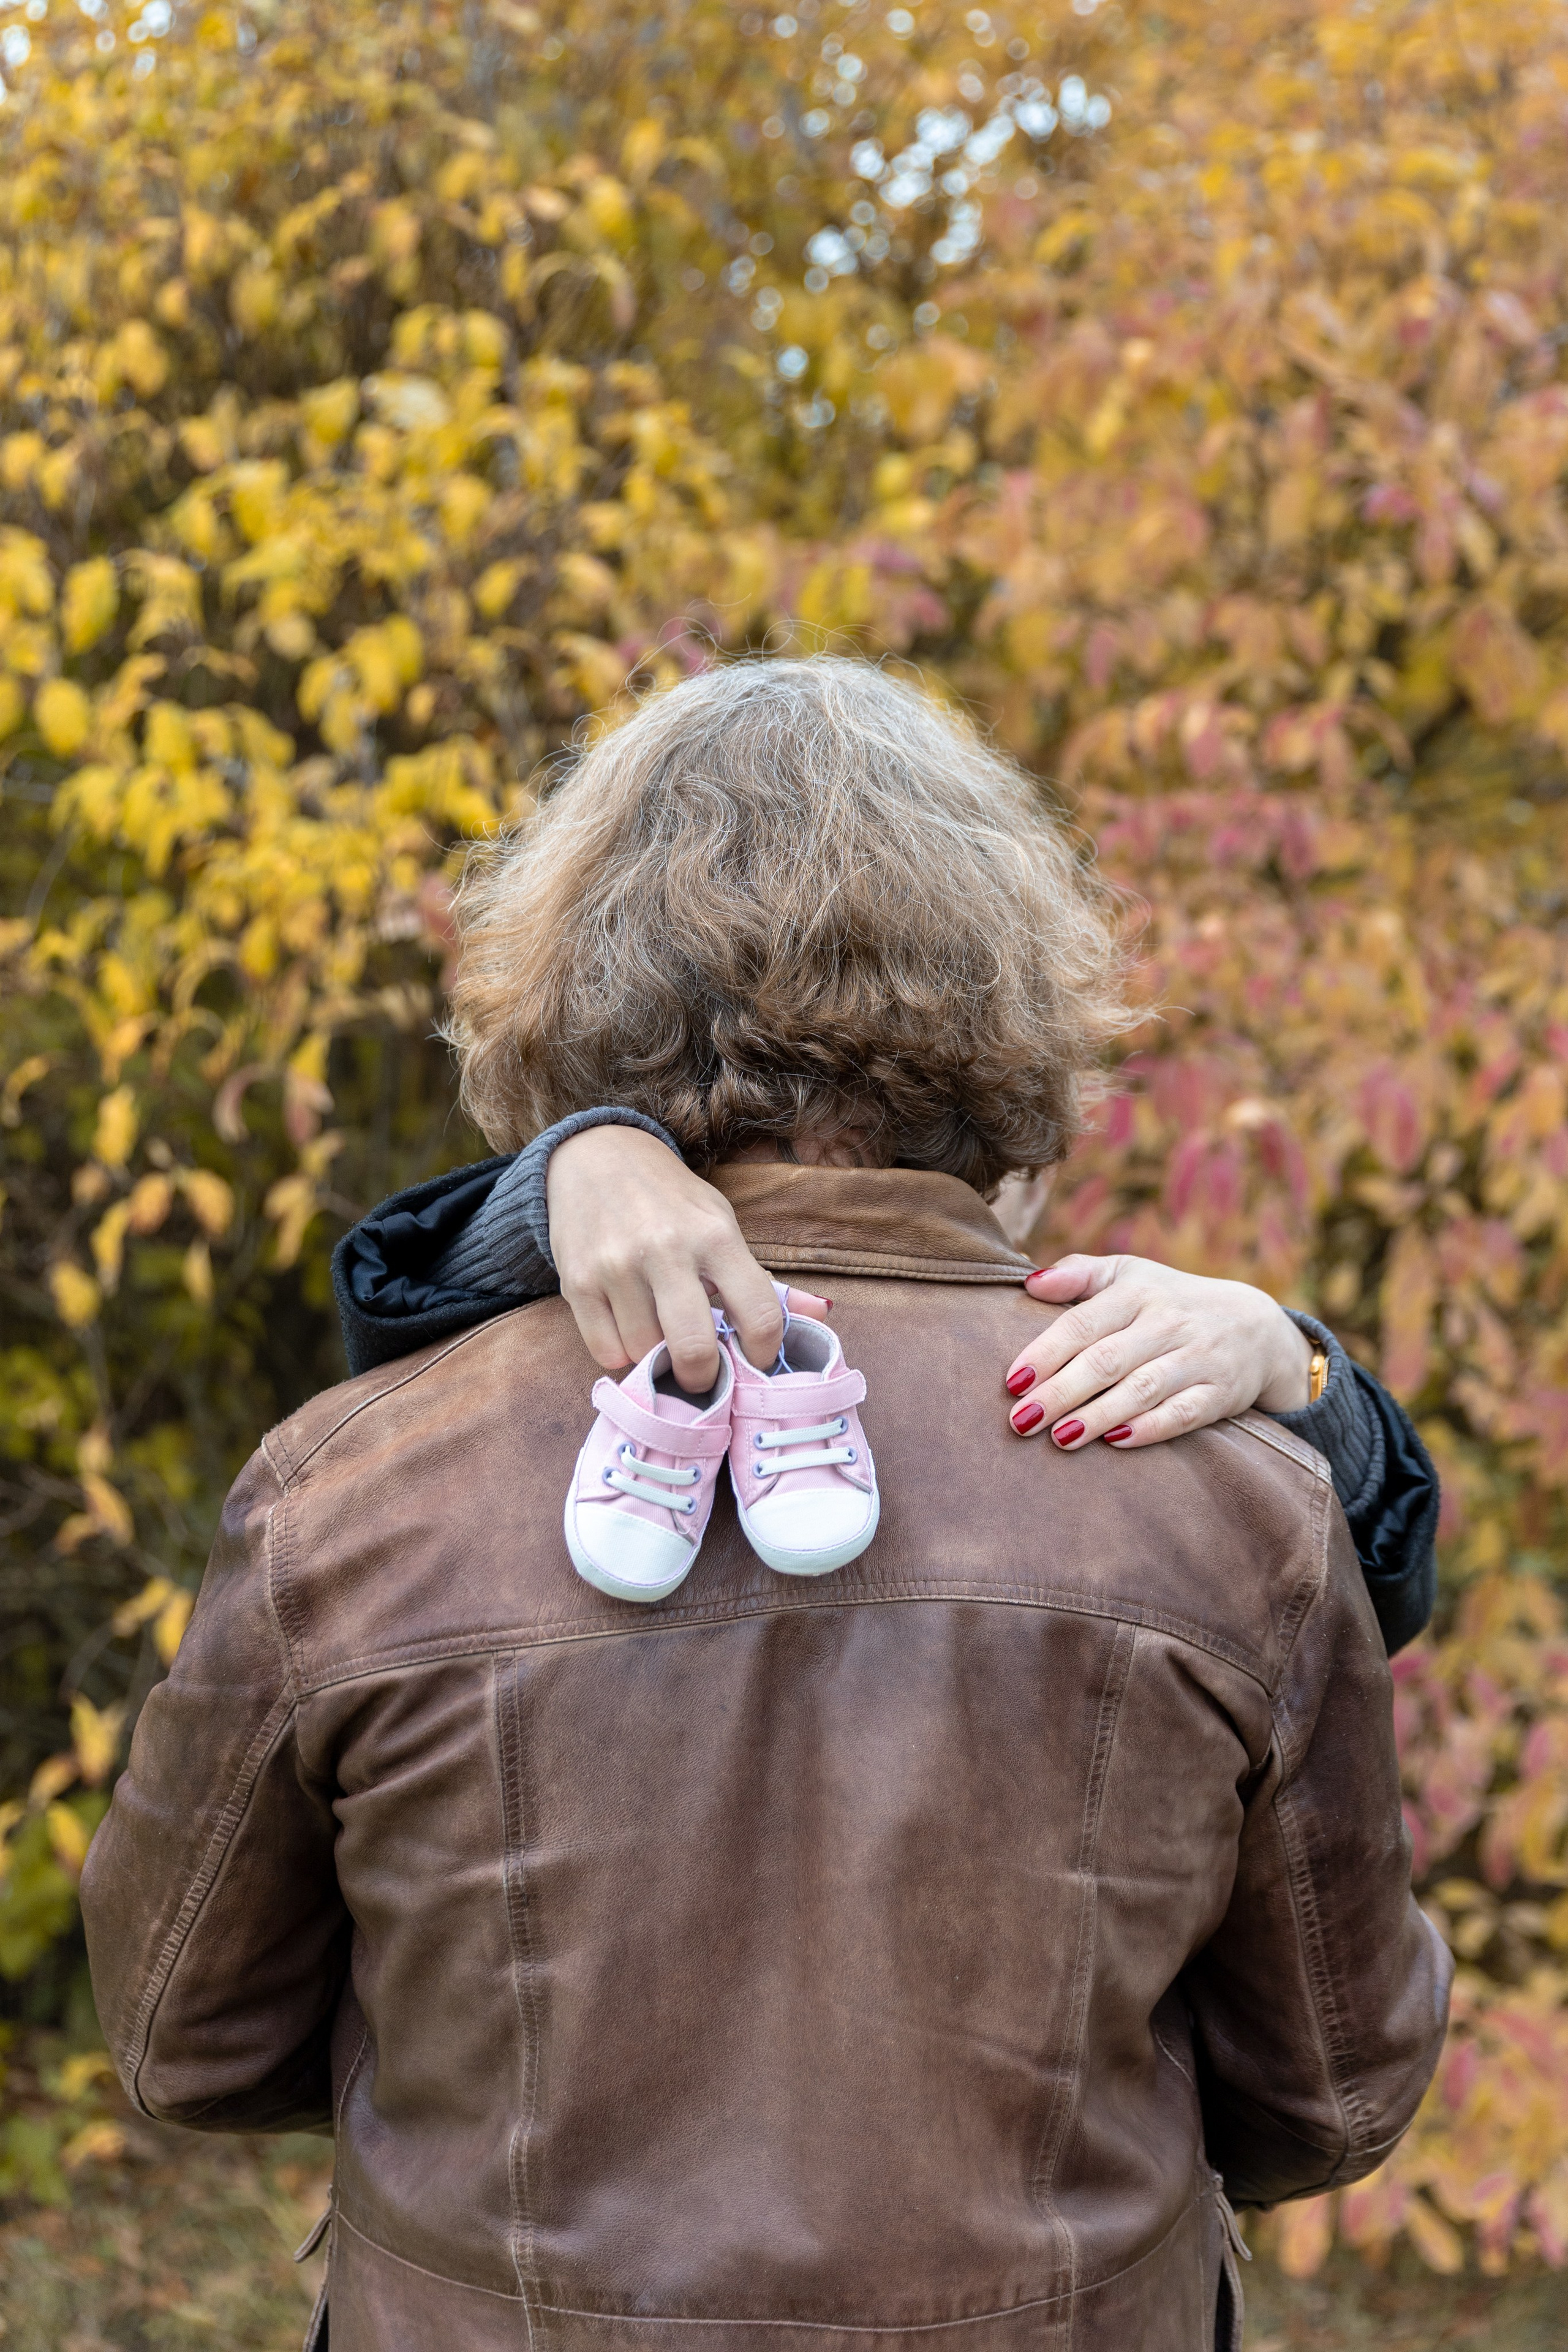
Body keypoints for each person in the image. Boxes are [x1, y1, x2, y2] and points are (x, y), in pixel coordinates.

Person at [82, 658, 1450, 2352]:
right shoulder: (1229, 1493)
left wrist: (499, 2126)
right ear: (1007, 1005)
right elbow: (1335, 2090)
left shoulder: (349, 1489)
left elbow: (184, 2036)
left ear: (572, 997)